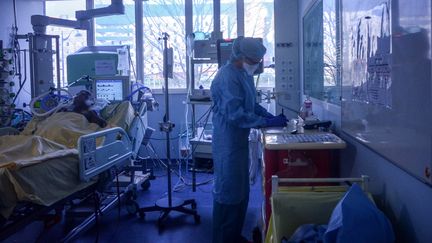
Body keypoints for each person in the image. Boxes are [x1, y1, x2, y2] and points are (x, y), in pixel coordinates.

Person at [210, 37, 287, 243]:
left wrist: (269, 117)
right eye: (253, 61)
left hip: (238, 141)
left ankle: (233, 235)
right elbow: (235, 114)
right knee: (228, 191)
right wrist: (264, 122)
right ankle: (223, 238)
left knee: (241, 190)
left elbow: (251, 105)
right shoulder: (226, 77)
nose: (256, 65)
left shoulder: (243, 76)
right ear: (241, 57)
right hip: (227, 141)